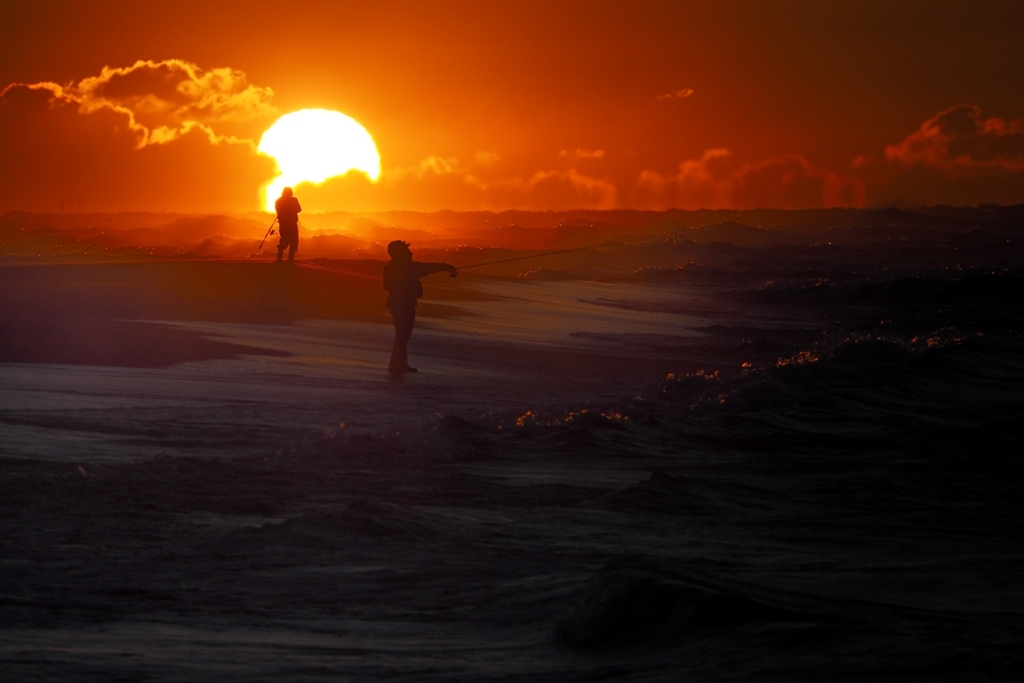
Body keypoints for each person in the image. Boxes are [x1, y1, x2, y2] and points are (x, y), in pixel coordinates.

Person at [383, 240, 457, 375]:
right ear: (400, 253)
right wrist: (447, 267)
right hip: (403, 305)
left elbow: (427, 268)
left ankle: (398, 364)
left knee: (402, 335)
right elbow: (429, 268)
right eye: (406, 251)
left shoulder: (395, 267)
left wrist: (446, 267)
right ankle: (397, 365)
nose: (410, 253)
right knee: (403, 335)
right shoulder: (405, 267)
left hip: (397, 304)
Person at [274, 187, 302, 263]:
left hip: (284, 224)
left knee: (285, 240)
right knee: (291, 241)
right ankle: (289, 260)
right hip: (291, 223)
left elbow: (278, 211)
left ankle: (281, 259)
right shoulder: (293, 200)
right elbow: (299, 209)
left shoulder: (278, 201)